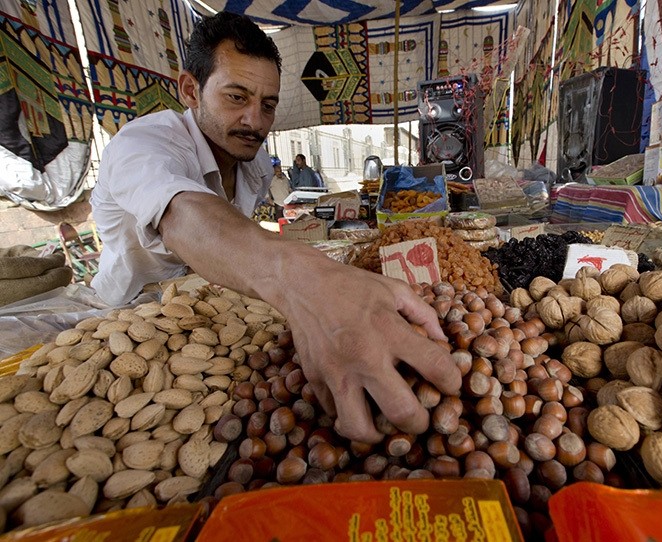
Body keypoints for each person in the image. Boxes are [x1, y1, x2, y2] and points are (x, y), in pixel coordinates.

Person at [89, 11, 459, 443]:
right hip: (131, 321)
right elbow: (182, 214)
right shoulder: (141, 145)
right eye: (235, 97)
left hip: (219, 312)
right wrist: (303, 279)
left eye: (268, 105)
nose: (255, 120)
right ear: (191, 90)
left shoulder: (254, 159)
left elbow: (242, 230)